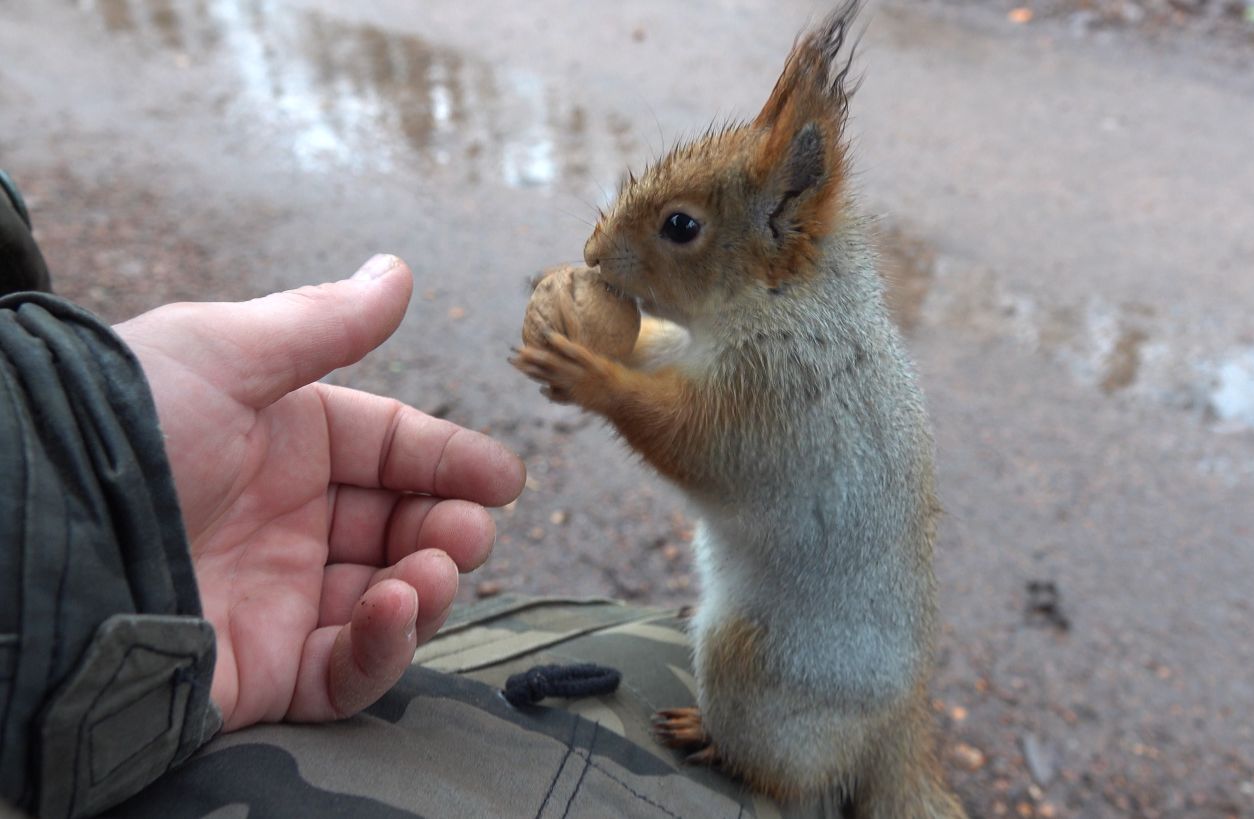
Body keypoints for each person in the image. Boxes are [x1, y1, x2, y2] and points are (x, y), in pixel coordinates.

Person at [0, 172, 837, 818]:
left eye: (677, 229)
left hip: (797, 616)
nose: (594, 250)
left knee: (715, 664)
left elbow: (723, 435)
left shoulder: (794, 359)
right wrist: (89, 465)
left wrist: (96, 460)